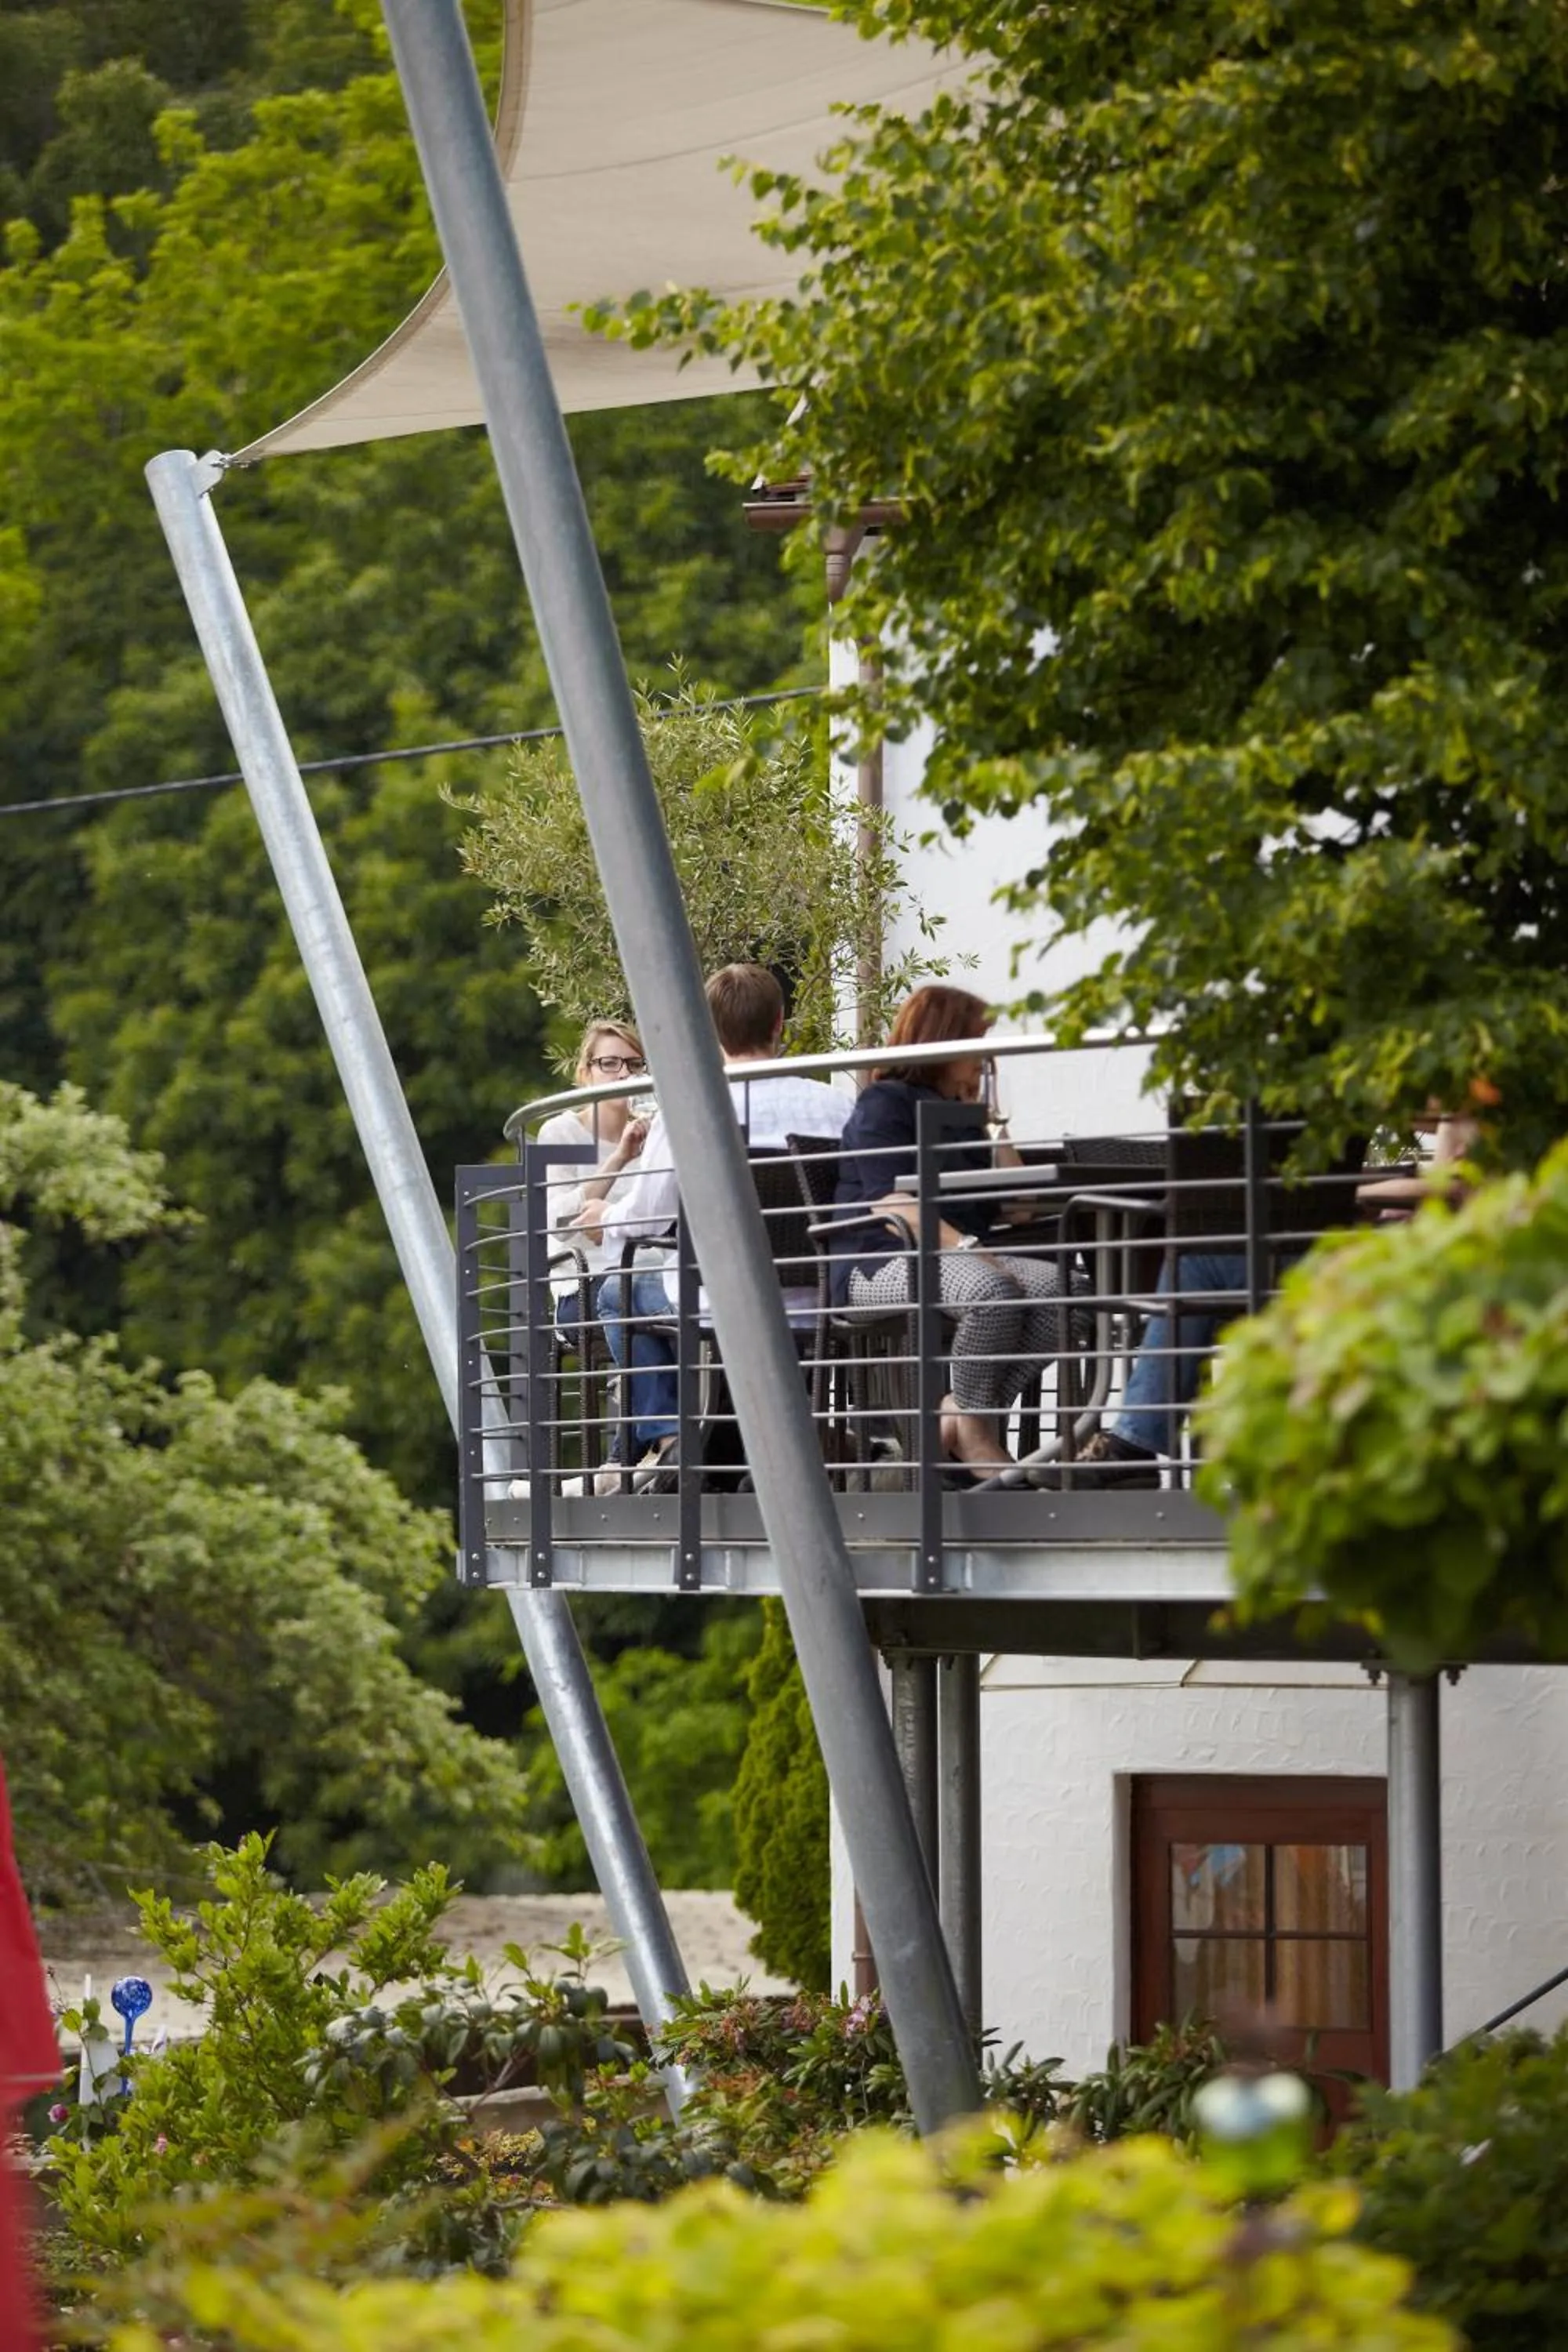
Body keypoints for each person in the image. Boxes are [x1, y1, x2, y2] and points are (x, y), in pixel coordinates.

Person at [598, 964, 852, 1483]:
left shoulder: (692, 1107)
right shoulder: (834, 1105)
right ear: (780, 1022)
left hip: (721, 1304)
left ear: (708, 1030)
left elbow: (650, 1213)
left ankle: (671, 1438)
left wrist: (606, 1214)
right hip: (821, 1302)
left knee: (614, 1293)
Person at [831, 984, 1071, 1475]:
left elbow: (1020, 1207)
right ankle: (978, 1440)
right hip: (878, 1261)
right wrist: (966, 1247)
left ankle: (957, 1417)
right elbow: (891, 1201)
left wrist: (994, 1122)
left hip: (952, 1256)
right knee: (992, 1291)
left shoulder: (962, 1116)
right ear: (944, 1041)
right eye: (977, 1043)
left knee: (1067, 1292)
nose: (986, 1058)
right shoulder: (885, 1102)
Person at [533, 1018, 655, 1495]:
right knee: (628, 1299)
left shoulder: (656, 1130)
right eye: (609, 1064)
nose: (622, 1074)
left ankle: (635, 1458)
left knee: (689, 1299)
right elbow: (564, 1224)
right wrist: (619, 1158)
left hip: (644, 1275)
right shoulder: (561, 1131)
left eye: (633, 1064)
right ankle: (641, 1451)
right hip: (581, 1287)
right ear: (586, 1072)